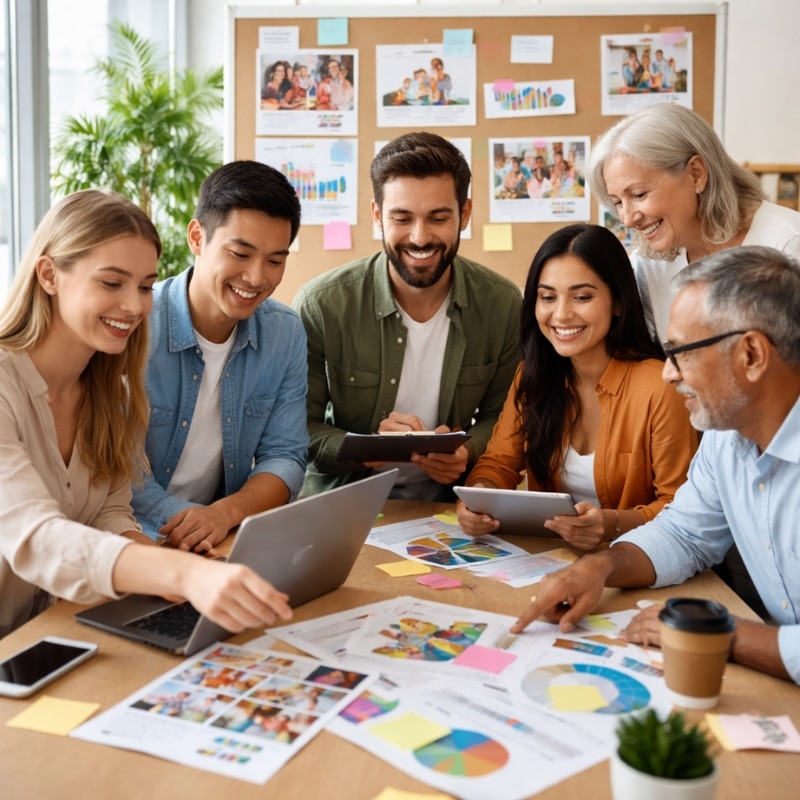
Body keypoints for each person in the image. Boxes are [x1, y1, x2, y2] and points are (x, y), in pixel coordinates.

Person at [0, 189, 292, 637]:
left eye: (144, 287)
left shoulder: (110, 389)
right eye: (111, 283)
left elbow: (110, 513)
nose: (135, 306)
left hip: (50, 632)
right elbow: (35, 537)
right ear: (49, 275)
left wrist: (185, 570)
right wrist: (180, 574)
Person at [511, 246, 800, 686]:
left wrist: (719, 635)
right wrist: (601, 567)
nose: (669, 373)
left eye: (682, 353)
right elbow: (684, 533)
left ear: (752, 355)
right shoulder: (726, 438)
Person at [588, 103, 800, 609]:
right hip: (716, 465)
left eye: (639, 194)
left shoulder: (787, 246)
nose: (628, 216)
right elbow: (684, 533)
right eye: (617, 201)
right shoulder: (651, 262)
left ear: (697, 173)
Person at [292, 132, 523, 501]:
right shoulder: (322, 305)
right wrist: (365, 449)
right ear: (377, 215)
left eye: (438, 218)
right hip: (342, 507)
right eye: (402, 218)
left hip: (452, 508)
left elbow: (506, 416)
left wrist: (467, 451)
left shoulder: (503, 304)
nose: (420, 237)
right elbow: (296, 429)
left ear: (464, 214)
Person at [457, 224, 696, 550]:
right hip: (549, 558)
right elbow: (498, 463)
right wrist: (478, 499)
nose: (561, 314)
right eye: (547, 297)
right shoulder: (533, 375)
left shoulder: (660, 386)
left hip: (635, 559)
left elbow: (680, 507)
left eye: (582, 297)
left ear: (618, 302)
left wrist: (610, 523)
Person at [131, 161, 308, 553]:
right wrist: (199, 522)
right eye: (240, 253)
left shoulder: (284, 333)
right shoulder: (136, 325)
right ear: (197, 237)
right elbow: (116, 472)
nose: (256, 278)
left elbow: (285, 456)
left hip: (222, 537)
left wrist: (224, 514)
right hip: (133, 537)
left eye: (275, 261)